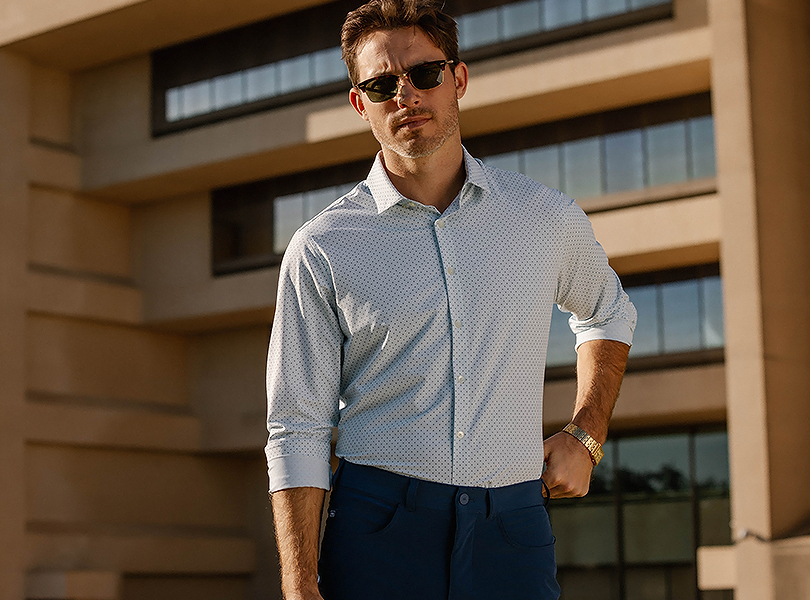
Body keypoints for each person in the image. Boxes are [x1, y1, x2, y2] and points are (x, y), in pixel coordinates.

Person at [265, 0, 636, 598]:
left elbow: (607, 313)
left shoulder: (544, 218)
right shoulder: (322, 248)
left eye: (425, 74)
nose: (406, 95)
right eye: (382, 84)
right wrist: (298, 584)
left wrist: (585, 435)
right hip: (378, 530)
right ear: (361, 104)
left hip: (512, 528)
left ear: (457, 79)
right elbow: (297, 428)